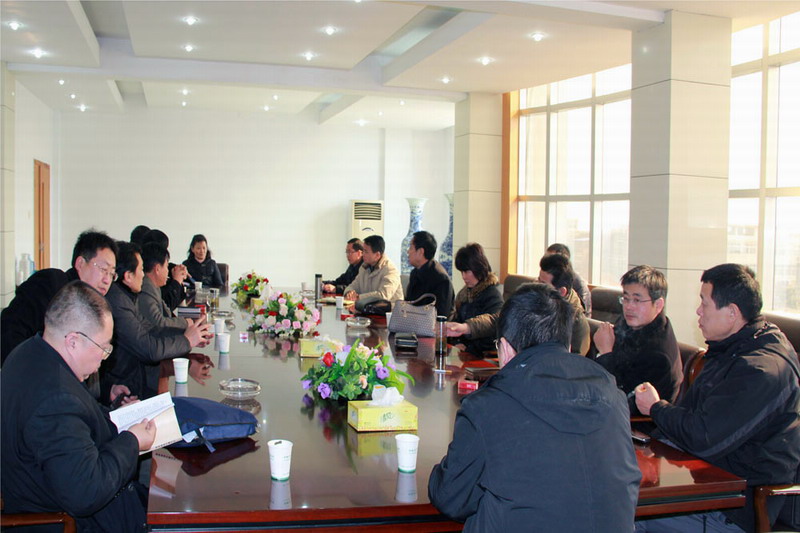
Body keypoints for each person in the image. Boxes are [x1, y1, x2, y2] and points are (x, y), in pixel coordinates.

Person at [429, 283, 641, 532]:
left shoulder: (487, 407)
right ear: (568, 347)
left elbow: (451, 499)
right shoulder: (615, 397)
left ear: (504, 349)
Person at [635, 264, 800, 532]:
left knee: (619, 512)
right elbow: (693, 419)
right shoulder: (732, 348)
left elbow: (704, 438)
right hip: (705, 485)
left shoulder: (762, 371)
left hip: (733, 507)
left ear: (732, 312)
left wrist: (656, 408)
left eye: (704, 303)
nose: (698, 311)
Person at [1, 281, 156, 532]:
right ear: (73, 341)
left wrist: (115, 416)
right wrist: (133, 441)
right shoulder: (55, 399)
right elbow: (86, 492)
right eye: (103, 348)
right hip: (71, 521)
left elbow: (79, 418)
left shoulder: (28, 353)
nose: (104, 358)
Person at [102, 242, 211, 401]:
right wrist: (187, 340)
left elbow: (152, 330)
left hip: (136, 377)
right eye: (141, 270)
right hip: (127, 385)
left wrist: (190, 335)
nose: (143, 275)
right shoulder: (119, 301)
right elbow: (149, 349)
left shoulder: (126, 297)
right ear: (128, 276)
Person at [1, 229, 118, 365]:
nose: (107, 280)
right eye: (103, 269)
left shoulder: (98, 308)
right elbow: (10, 331)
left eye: (112, 274)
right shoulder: (50, 283)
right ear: (80, 263)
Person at [593, 265, 683, 411]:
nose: (629, 307)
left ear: (658, 305)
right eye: (626, 299)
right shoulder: (629, 324)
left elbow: (623, 402)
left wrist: (605, 353)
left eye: (636, 300)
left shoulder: (658, 355)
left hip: (633, 420)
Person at [444, 243, 503, 356]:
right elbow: (458, 322)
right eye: (462, 272)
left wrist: (467, 329)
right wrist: (458, 342)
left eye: (467, 271)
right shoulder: (464, 294)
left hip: (484, 355)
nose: (464, 277)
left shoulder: (492, 293)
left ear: (478, 268)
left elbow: (494, 322)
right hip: (466, 353)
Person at [537, 253, 590, 356]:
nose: (537, 287)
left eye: (543, 285)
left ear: (561, 292)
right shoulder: (537, 303)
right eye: (538, 280)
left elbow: (572, 363)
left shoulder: (576, 324)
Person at [344, 235, 403, 309]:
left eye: (366, 252)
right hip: (368, 309)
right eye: (363, 251)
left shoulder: (390, 270)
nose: (363, 254)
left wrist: (358, 297)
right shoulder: (364, 267)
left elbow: (383, 296)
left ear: (377, 255)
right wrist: (349, 293)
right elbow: (353, 286)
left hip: (389, 313)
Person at [138, 242, 188, 330]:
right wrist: (186, 323)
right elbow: (159, 323)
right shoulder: (146, 289)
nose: (167, 271)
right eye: (166, 266)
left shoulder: (154, 286)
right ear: (157, 269)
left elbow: (167, 313)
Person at [404, 231, 455, 317]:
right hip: (414, 321)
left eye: (411, 247)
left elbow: (442, 314)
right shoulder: (415, 273)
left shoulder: (440, 279)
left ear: (420, 251)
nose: (408, 251)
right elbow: (409, 303)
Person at [141, 228, 188, 311]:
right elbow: (167, 307)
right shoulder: (146, 282)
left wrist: (178, 272)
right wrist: (177, 281)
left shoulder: (168, 269)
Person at [547, 243, 591, 316]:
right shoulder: (546, 277)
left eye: (551, 259)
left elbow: (582, 315)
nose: (546, 262)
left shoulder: (579, 285)